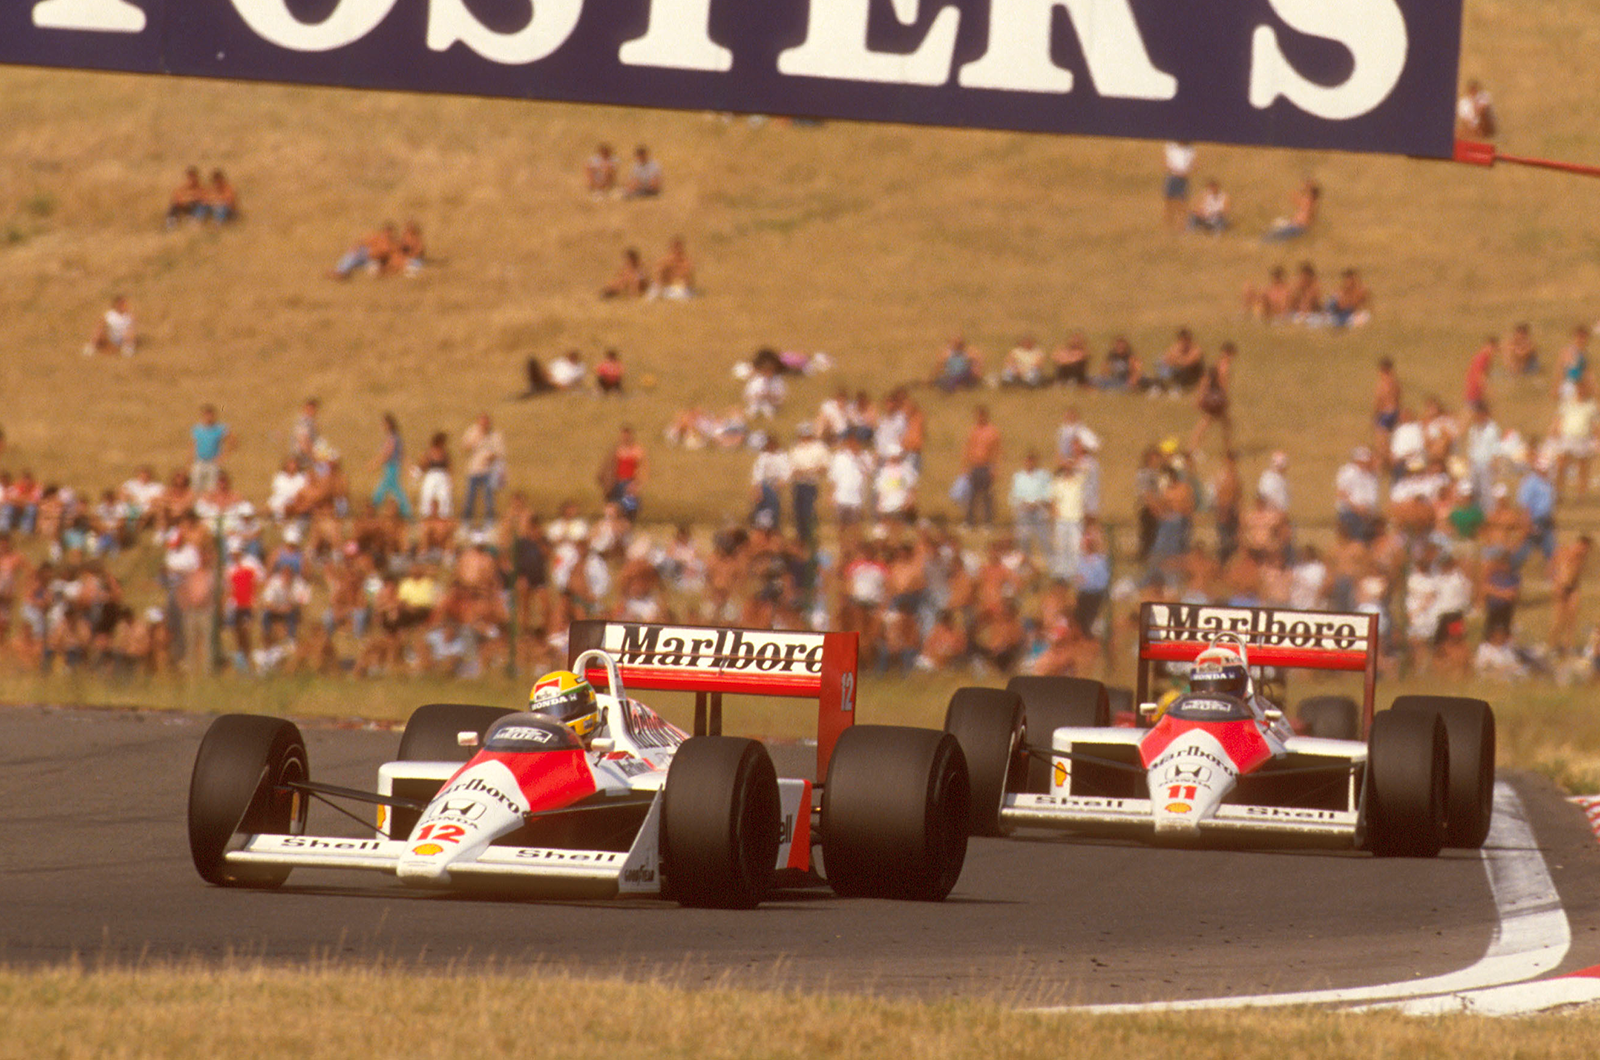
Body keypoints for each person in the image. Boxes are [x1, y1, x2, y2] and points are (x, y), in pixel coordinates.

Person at [529, 669, 604, 745]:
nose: (554, 720)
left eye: (561, 710)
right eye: (545, 712)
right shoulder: (534, 752)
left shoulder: (603, 754)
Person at [461, 413, 507, 525]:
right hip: (474, 470)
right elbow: (465, 447)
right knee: (470, 498)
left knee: (489, 499)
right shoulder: (472, 432)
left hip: (489, 472)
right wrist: (477, 438)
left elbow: (501, 452)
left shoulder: (495, 435)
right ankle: (466, 522)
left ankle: (489, 523)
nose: (484, 425)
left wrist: (492, 457)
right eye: (482, 422)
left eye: (486, 422)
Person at [1550, 535, 1593, 656]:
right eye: (1583, 548)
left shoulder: (1582, 557)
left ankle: (1568, 646)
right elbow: (1552, 567)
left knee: (1572, 617)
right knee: (1559, 618)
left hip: (1574, 587)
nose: (1584, 551)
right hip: (1561, 586)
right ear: (1578, 544)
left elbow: (1578, 571)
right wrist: (1556, 584)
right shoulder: (1564, 551)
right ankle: (1553, 645)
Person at [960, 405, 1001, 529]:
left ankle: (988, 522)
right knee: (971, 496)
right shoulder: (973, 430)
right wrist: (965, 466)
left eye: (981, 415)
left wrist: (995, 468)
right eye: (977, 416)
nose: (979, 418)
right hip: (974, 467)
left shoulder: (992, 432)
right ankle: (969, 521)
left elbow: (997, 451)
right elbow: (968, 448)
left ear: (985, 416)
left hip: (986, 467)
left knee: (986, 496)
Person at [1189, 342, 1234, 453]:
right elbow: (1223, 383)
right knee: (1207, 422)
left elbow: (1205, 380)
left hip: (1211, 396)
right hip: (1216, 398)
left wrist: (1200, 396)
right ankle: (1193, 448)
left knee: (1224, 423)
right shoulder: (1224, 366)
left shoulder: (1216, 364)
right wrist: (1225, 398)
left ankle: (1228, 449)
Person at [371, 413, 412, 519]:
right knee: (395, 489)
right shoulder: (396, 438)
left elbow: (387, 454)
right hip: (392, 467)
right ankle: (407, 512)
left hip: (391, 467)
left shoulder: (392, 438)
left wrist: (374, 464)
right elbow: (402, 454)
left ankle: (372, 506)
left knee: (386, 488)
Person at [190, 403, 234, 493]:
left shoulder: (219, 428)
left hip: (212, 462)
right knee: (196, 486)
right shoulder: (197, 429)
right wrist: (190, 460)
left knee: (212, 488)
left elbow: (232, 440)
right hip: (199, 461)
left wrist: (223, 456)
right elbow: (193, 444)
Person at [332, 222, 397, 279]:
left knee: (374, 270)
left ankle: (342, 271)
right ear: (384, 231)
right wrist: (356, 246)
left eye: (389, 233)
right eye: (386, 232)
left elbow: (390, 259)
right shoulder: (377, 237)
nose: (387, 234)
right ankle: (340, 271)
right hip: (364, 254)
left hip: (371, 261)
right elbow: (362, 242)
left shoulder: (391, 245)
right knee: (352, 255)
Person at [1162, 141, 1195, 229]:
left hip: (1183, 178)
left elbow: (1193, 164)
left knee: (1182, 202)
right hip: (1172, 176)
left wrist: (1186, 172)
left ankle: (1181, 224)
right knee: (1169, 201)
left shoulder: (1190, 149)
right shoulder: (1170, 146)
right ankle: (1168, 224)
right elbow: (1166, 161)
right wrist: (1174, 171)